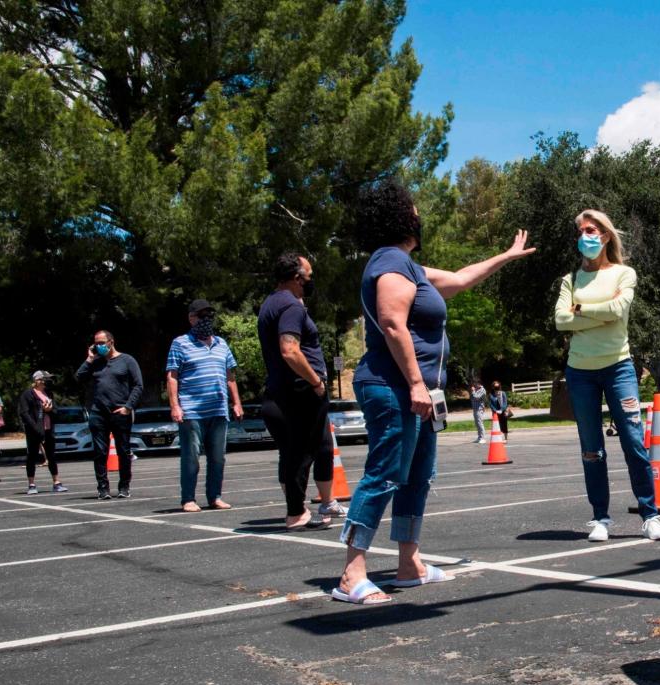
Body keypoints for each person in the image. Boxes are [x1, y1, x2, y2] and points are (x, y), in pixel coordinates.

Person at [335, 178, 534, 605]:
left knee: (418, 477)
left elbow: (461, 279)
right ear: (399, 216)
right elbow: (392, 323)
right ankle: (351, 575)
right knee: (385, 474)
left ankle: (410, 564)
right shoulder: (389, 262)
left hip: (419, 392)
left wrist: (507, 256)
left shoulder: (407, 265)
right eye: (413, 207)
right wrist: (414, 383)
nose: (419, 213)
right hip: (393, 387)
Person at [554, 209, 660, 544]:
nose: (584, 236)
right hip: (580, 373)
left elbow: (618, 311)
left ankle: (650, 516)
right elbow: (561, 320)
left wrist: (580, 311)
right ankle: (600, 518)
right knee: (592, 449)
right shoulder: (570, 280)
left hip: (619, 368)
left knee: (633, 442)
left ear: (605, 236)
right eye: (580, 231)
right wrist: (597, 315)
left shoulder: (624, 273)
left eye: (590, 230)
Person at [258, 252, 333, 530]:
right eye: (309, 276)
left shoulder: (270, 303)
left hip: (282, 390)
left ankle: (297, 510)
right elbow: (290, 351)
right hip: (300, 391)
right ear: (297, 278)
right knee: (302, 452)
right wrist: (315, 381)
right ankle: (296, 513)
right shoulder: (291, 306)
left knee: (294, 452)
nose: (311, 281)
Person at [167, 299, 245, 512]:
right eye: (201, 315)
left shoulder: (221, 343)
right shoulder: (180, 343)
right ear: (191, 318)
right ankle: (188, 499)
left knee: (218, 457)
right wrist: (175, 406)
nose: (206, 320)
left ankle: (215, 496)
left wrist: (236, 403)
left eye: (209, 315)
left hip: (219, 410)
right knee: (191, 456)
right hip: (192, 410)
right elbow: (172, 376)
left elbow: (230, 376)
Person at [75, 330, 143, 499]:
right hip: (98, 413)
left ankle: (124, 486)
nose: (99, 346)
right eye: (96, 343)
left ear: (111, 342)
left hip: (120, 412)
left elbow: (138, 385)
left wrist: (128, 407)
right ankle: (103, 488)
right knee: (100, 452)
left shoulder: (127, 360)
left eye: (102, 342)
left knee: (123, 451)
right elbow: (78, 377)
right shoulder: (95, 362)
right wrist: (89, 358)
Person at [17, 371, 67, 494]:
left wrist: (49, 410)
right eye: (46, 379)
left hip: (48, 429)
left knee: (51, 455)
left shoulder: (49, 393)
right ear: (38, 380)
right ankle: (31, 484)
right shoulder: (28, 394)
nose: (48, 381)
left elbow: (55, 410)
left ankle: (56, 482)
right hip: (34, 430)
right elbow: (24, 413)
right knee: (32, 456)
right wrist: (35, 428)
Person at [469, 379, 488, 443]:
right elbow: (472, 398)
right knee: (477, 424)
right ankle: (479, 437)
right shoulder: (476, 389)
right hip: (475, 408)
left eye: (476, 383)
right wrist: (473, 391)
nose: (475, 384)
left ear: (479, 384)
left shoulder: (482, 390)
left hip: (479, 409)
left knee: (480, 423)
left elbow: (476, 397)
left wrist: (473, 391)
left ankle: (483, 438)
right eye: (474, 383)